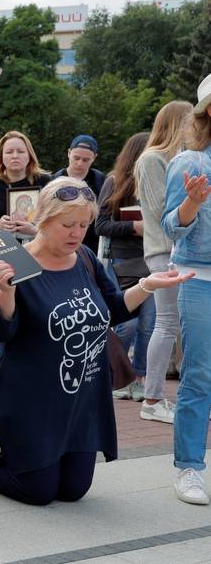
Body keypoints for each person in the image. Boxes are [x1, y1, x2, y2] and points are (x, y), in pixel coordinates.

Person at [0, 177, 188, 506]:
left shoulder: (86, 258)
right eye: (68, 225)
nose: (77, 233)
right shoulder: (15, 263)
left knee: (73, 490)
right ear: (43, 219)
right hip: (30, 398)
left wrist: (148, 284)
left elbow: (113, 310)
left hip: (80, 398)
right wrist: (6, 292)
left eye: (83, 224)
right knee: (39, 492)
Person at [161, 72, 211, 505]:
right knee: (200, 374)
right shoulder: (190, 163)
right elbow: (169, 228)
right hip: (202, 281)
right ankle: (190, 467)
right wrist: (192, 203)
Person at [135, 100, 194, 423]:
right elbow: (161, 211)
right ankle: (153, 398)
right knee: (168, 323)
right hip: (166, 251)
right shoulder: (153, 159)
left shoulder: (174, 158)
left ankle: (161, 397)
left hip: (179, 252)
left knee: (180, 326)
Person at [95, 133, 155, 404]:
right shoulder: (114, 181)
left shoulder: (158, 181)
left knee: (149, 325)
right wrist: (134, 226)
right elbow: (101, 225)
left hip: (155, 259)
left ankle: (140, 379)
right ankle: (119, 376)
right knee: (127, 323)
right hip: (123, 262)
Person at [0, 130, 51, 239]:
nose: (15, 156)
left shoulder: (45, 182)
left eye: (21, 151)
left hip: (39, 249)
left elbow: (59, 218)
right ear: (1, 157)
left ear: (29, 155)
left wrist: (34, 230)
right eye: (9, 152)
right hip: (2, 250)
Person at [52, 135, 106, 253]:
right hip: (60, 241)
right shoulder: (53, 181)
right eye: (76, 158)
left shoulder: (101, 181)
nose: (80, 163)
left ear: (94, 158)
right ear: (68, 153)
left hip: (92, 243)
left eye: (85, 160)